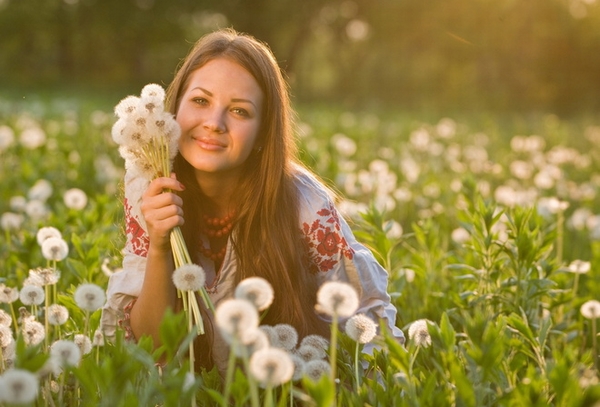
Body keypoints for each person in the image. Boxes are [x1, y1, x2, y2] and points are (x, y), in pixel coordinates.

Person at [101, 28, 404, 373]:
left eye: (240, 111)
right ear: (174, 110)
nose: (214, 123)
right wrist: (159, 245)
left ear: (263, 132)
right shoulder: (151, 185)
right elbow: (152, 347)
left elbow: (367, 326)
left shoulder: (305, 205)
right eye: (200, 101)